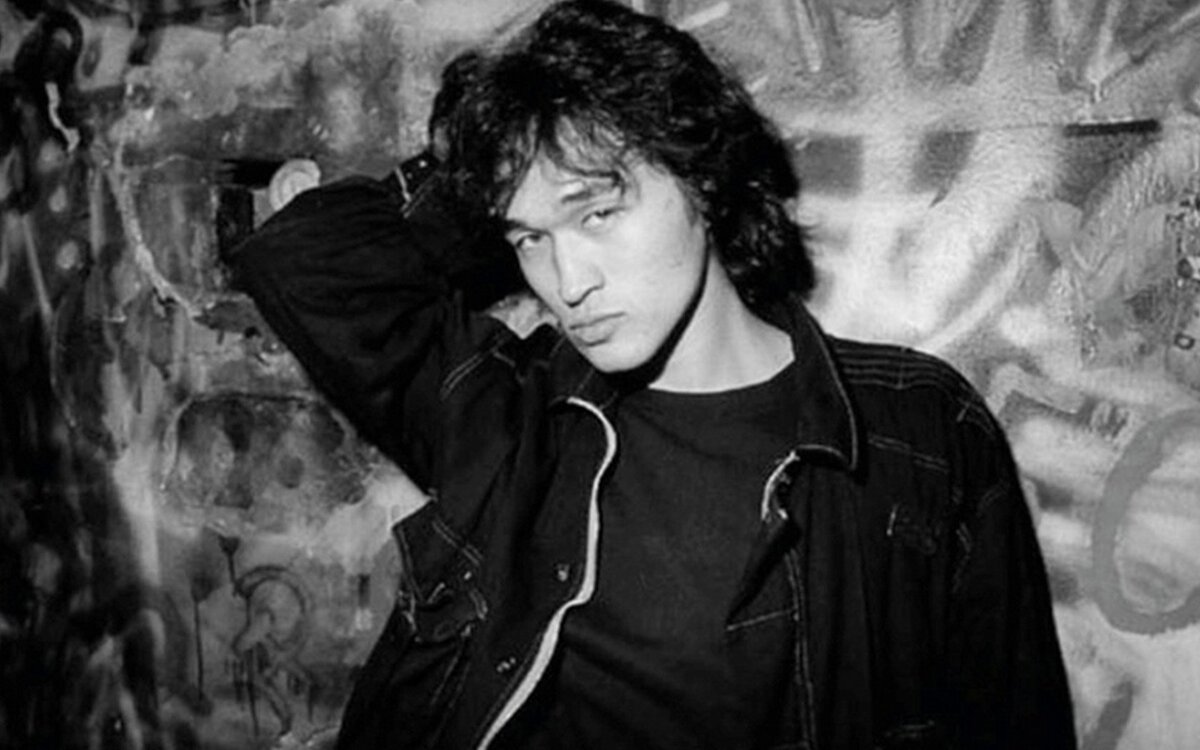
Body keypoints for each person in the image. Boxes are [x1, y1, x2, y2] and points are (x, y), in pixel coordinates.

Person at [227, 1, 1076, 748]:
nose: (568, 283)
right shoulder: (509, 418)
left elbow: (1010, 719)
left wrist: (541, 163)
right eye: (530, 239)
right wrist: (503, 163)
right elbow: (302, 258)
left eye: (599, 212)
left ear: (702, 180)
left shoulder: (915, 429)